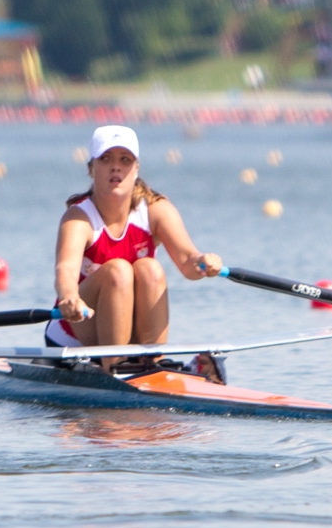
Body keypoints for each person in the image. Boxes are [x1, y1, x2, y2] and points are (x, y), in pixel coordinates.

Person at [47, 125, 222, 363]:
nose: (116, 166)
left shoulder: (156, 210)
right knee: (118, 271)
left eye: (125, 159)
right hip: (75, 332)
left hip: (126, 330)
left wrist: (203, 262)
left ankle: (153, 362)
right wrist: (68, 296)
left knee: (150, 269)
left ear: (136, 168)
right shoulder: (79, 218)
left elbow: (187, 262)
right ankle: (115, 367)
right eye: (106, 159)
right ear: (91, 168)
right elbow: (65, 268)